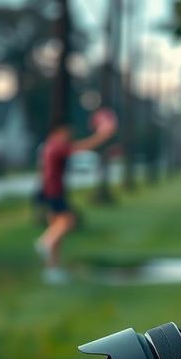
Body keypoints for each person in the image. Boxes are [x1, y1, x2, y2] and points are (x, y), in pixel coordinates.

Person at [35, 108, 117, 285]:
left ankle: (52, 270)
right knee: (68, 222)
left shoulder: (49, 145)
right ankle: (44, 242)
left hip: (49, 190)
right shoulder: (57, 145)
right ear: (60, 130)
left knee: (56, 228)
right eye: (68, 131)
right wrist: (102, 134)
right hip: (54, 191)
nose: (70, 134)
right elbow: (80, 148)